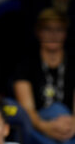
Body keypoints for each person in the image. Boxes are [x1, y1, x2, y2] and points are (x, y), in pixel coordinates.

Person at [14, 9, 75, 144]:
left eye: (59, 30)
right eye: (48, 29)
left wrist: (71, 126)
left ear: (65, 33)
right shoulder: (26, 63)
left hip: (69, 127)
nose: (53, 35)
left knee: (60, 111)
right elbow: (28, 110)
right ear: (38, 32)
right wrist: (46, 127)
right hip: (38, 125)